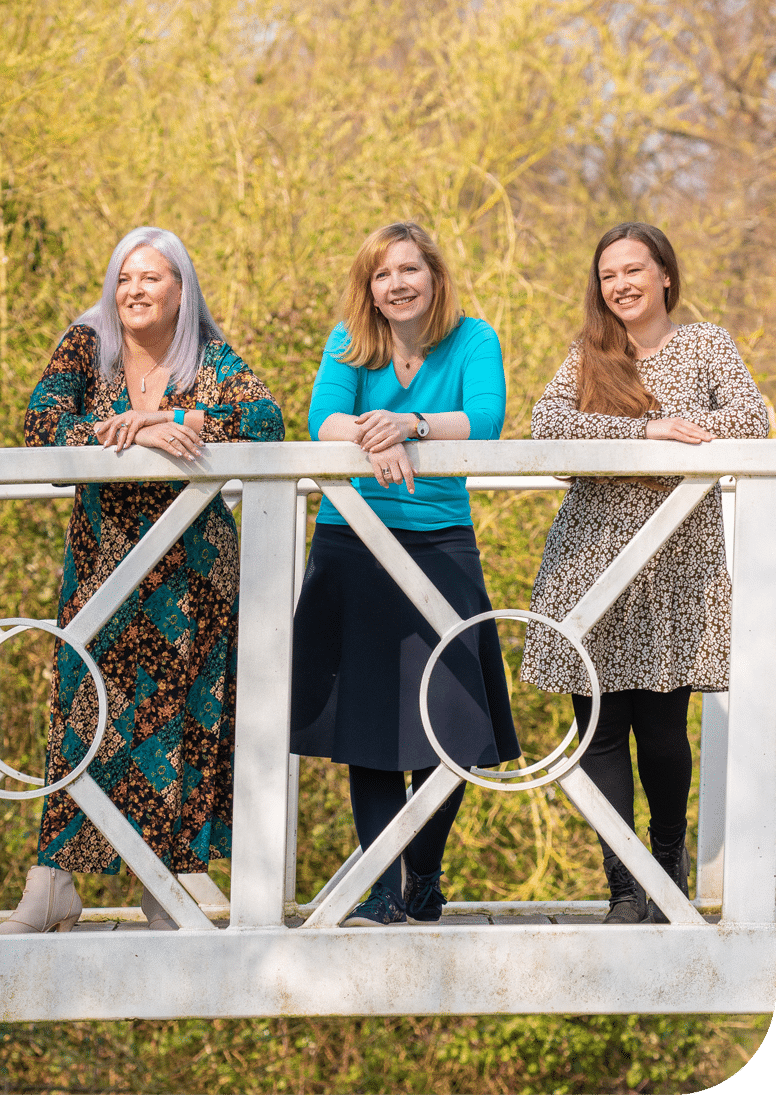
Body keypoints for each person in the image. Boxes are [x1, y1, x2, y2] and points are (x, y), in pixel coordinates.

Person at [0, 227, 284, 934]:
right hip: (103, 559)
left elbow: (266, 422)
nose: (134, 289)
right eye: (125, 276)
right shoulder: (87, 341)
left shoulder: (207, 353)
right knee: (83, 707)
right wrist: (123, 429)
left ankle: (169, 884)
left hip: (192, 570)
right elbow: (39, 426)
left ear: (181, 290)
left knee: (181, 718)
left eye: (152, 277)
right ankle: (53, 883)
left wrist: (172, 416)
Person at [520, 222, 769, 923]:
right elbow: (547, 424)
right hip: (589, 554)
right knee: (597, 729)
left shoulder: (705, 344)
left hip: (675, 564)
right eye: (608, 275)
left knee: (661, 730)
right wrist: (647, 432)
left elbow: (751, 417)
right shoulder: (590, 354)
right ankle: (625, 888)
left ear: (665, 274)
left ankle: (666, 860)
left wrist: (668, 426)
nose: (621, 284)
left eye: (635, 269)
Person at [290, 221, 520, 927]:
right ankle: (386, 888)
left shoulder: (474, 338)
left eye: (409, 270)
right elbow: (320, 417)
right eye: (382, 274)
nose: (396, 284)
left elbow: (486, 420)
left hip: (439, 540)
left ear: (435, 277)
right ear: (370, 286)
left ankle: (422, 872)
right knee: (371, 726)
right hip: (353, 540)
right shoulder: (347, 341)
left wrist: (407, 423)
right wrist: (369, 431)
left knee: (453, 719)